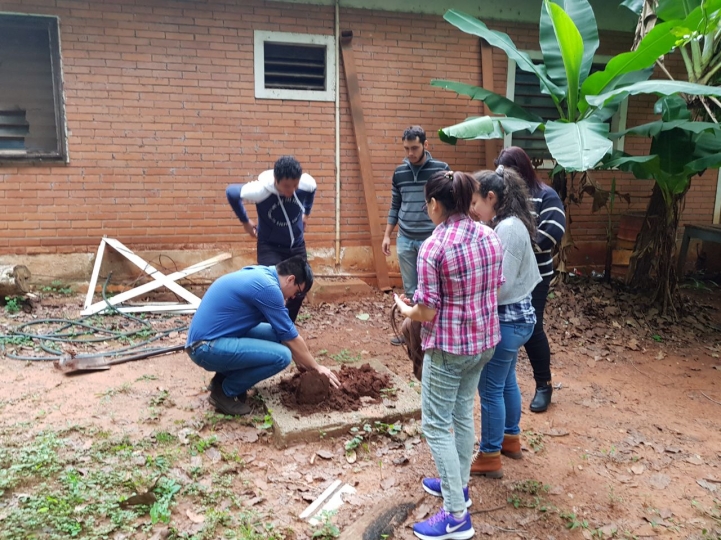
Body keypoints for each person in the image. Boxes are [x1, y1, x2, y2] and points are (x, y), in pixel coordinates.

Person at [394, 171, 504, 540]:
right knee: (461, 413)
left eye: (428, 203)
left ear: (434, 204)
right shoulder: (489, 235)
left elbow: (426, 311)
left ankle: (456, 517)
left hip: (449, 349)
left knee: (436, 425)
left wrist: (405, 309)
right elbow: (493, 288)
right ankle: (458, 487)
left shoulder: (434, 246)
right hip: (484, 344)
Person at [185, 255, 339, 416]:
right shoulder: (268, 289)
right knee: (283, 356)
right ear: (291, 279)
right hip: (205, 347)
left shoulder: (263, 273)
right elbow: (292, 338)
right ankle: (224, 392)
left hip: (214, 338)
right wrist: (316, 367)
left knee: (275, 335)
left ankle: (222, 379)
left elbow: (283, 332)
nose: (294, 297)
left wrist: (301, 360)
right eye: (298, 292)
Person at [469, 166, 541, 478]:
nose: (472, 209)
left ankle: (489, 455)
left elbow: (501, 283)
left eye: (475, 202)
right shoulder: (508, 224)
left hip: (508, 322)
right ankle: (510, 439)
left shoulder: (508, 229)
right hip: (517, 321)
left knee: (490, 387)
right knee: (506, 380)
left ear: (492, 197)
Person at [495, 147, 566, 412]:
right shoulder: (502, 198)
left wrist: (518, 249)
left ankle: (544, 385)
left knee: (533, 329)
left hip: (536, 277)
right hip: (505, 276)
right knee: (504, 330)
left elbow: (552, 234)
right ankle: (506, 383)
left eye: (508, 172)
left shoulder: (546, 196)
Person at [226, 156, 316, 322]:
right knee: (271, 290)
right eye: (286, 186)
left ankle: (287, 327)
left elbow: (312, 190)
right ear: (276, 180)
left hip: (296, 245)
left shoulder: (306, 184)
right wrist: (245, 222)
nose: (291, 191)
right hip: (270, 246)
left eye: (295, 185)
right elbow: (231, 192)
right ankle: (268, 326)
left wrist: (306, 214)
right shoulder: (261, 191)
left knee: (300, 288)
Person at [383, 126, 449, 345]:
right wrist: (387, 235)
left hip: (432, 241)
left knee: (432, 287)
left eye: (414, 148)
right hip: (405, 238)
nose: (410, 153)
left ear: (425, 145)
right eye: (406, 148)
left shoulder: (441, 170)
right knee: (410, 289)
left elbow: (448, 203)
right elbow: (395, 205)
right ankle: (411, 333)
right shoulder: (399, 172)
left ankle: (434, 330)